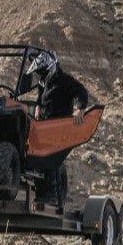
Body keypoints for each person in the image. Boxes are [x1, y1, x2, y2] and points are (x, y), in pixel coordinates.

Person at [25, 51, 90, 205]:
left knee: (51, 159)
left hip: (59, 126)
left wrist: (80, 109)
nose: (40, 75)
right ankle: (42, 195)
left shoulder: (64, 80)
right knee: (39, 158)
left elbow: (81, 91)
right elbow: (40, 97)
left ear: (51, 67)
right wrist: (38, 106)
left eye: (42, 72)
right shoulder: (44, 83)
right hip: (44, 126)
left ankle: (54, 197)